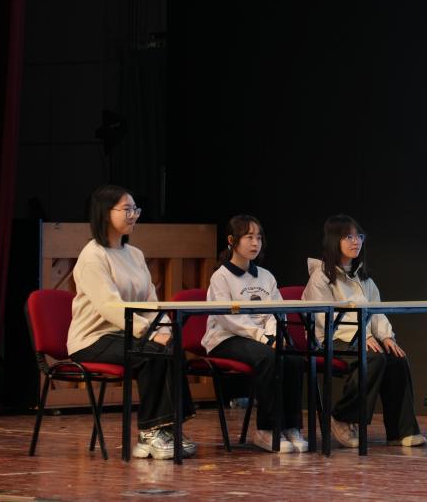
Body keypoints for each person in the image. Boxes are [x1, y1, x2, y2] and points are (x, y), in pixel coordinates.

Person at [67, 184, 196, 460]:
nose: (134, 215)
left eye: (135, 209)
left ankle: (169, 427)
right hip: (94, 339)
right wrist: (149, 333)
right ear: (105, 213)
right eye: (126, 209)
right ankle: (149, 432)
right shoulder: (92, 256)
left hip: (127, 333)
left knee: (171, 347)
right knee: (150, 353)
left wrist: (162, 329)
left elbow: (150, 301)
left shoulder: (135, 254)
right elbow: (110, 306)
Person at [304, 215, 426, 449]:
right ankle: (342, 417)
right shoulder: (320, 277)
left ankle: (401, 431)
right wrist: (361, 336)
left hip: (360, 339)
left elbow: (376, 311)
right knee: (372, 357)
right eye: (348, 237)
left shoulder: (363, 278)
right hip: (330, 340)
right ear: (334, 240)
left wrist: (386, 336)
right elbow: (324, 319)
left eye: (358, 236)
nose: (355, 241)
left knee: (396, 358)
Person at [202, 215, 309, 453]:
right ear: (232, 241)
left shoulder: (265, 276)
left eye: (259, 238)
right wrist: (264, 338)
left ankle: (290, 426)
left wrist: (274, 335)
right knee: (268, 357)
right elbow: (228, 318)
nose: (255, 243)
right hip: (226, 338)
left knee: (291, 358)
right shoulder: (221, 277)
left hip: (262, 338)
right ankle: (267, 429)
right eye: (249, 237)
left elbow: (276, 312)